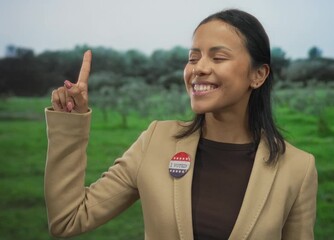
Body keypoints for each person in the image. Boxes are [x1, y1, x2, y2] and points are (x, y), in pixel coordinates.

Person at [45, 9, 317, 240]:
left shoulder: (297, 168)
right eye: (193, 57)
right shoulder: (156, 141)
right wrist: (70, 123)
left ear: (258, 75)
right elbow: (68, 218)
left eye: (218, 57)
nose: (199, 68)